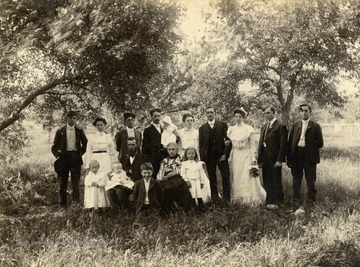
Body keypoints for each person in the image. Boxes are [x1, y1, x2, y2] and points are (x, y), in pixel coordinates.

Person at [287, 103, 324, 209]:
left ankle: (311, 203)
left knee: (310, 180)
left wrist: (310, 148)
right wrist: (289, 157)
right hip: (297, 156)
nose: (304, 112)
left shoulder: (315, 126)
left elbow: (320, 143)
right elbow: (290, 143)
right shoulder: (295, 125)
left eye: (306, 110)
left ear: (310, 111)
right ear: (299, 112)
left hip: (309, 157)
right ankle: (295, 202)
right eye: (302, 110)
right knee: (296, 180)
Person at [227, 108, 266, 205]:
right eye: (236, 117)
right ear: (234, 118)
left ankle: (251, 200)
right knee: (237, 176)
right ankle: (238, 200)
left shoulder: (248, 129)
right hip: (236, 155)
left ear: (243, 117)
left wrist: (253, 158)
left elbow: (253, 145)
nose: (238, 119)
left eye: (240, 117)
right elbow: (230, 145)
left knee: (247, 176)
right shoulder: (231, 129)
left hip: (246, 155)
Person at [51, 110, 88, 208]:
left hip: (75, 158)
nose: (72, 120)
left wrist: (79, 153)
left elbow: (86, 144)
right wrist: (58, 156)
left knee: (75, 183)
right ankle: (62, 206)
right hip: (63, 158)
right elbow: (54, 146)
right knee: (62, 183)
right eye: (70, 118)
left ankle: (76, 206)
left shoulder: (79, 131)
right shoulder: (60, 131)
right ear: (66, 118)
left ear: (76, 119)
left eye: (74, 118)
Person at [257, 105, 287, 209]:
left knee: (276, 179)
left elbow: (283, 145)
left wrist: (279, 160)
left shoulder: (280, 126)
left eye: (268, 113)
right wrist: (259, 159)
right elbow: (261, 143)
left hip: (274, 159)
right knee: (266, 179)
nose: (266, 115)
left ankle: (279, 201)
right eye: (265, 113)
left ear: (274, 113)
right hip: (265, 158)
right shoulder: (264, 126)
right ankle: (269, 201)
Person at [199, 106, 231, 202]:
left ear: (215, 113)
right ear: (206, 114)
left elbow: (228, 141)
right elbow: (201, 145)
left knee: (225, 177)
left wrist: (225, 154)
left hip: (221, 156)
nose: (210, 114)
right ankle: (214, 198)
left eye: (211, 112)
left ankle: (227, 198)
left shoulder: (223, 125)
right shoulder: (202, 128)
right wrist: (203, 159)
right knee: (212, 178)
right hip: (209, 157)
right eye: (208, 112)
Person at [157, 143, 194, 214]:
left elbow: (183, 170)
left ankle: (185, 209)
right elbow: (160, 172)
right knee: (166, 188)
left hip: (179, 178)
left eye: (173, 149)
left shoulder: (182, 159)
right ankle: (170, 210)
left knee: (182, 187)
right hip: (168, 179)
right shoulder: (164, 161)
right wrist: (162, 177)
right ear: (167, 151)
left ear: (177, 150)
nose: (171, 151)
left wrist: (174, 173)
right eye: (169, 149)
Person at [181, 147, 211, 212]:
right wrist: (186, 181)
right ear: (186, 155)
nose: (191, 155)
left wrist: (202, 182)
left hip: (197, 180)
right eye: (189, 153)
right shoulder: (184, 164)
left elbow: (201, 173)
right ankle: (193, 208)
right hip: (190, 181)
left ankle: (201, 208)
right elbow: (183, 173)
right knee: (193, 194)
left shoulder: (198, 163)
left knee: (199, 194)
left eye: (192, 153)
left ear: (195, 154)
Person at [142, 108, 163, 178]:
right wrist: (147, 159)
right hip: (153, 158)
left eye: (158, 116)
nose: (157, 118)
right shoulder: (147, 130)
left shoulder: (165, 129)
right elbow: (145, 146)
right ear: (151, 117)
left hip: (164, 157)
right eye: (155, 116)